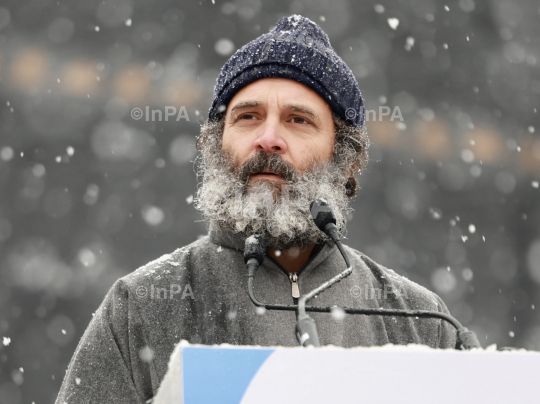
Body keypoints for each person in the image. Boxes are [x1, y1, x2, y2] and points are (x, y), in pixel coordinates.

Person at [56, 15, 457, 404]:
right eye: (248, 117)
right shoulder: (142, 305)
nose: (268, 139)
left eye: (298, 120)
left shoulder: (421, 321)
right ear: (216, 143)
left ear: (346, 158)